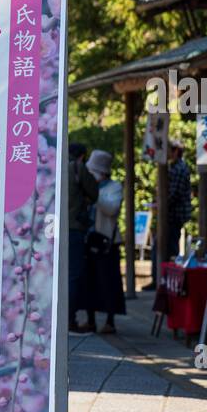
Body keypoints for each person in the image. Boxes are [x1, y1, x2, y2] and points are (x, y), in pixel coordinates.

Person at [73, 149, 126, 334]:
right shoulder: (85, 187)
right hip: (88, 239)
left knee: (108, 281)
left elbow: (112, 209)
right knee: (89, 282)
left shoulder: (114, 187)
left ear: (102, 173)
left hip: (106, 242)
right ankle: (90, 320)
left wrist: (95, 194)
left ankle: (110, 321)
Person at [67, 142, 100, 332]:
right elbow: (94, 193)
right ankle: (70, 319)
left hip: (49, 227)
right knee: (74, 275)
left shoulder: (51, 165)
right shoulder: (78, 168)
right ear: (81, 156)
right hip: (74, 228)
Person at [165, 138, 192, 264]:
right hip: (175, 214)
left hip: (175, 214)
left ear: (175, 151)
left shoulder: (178, 168)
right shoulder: (176, 167)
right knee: (171, 244)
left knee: (171, 246)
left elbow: (173, 194)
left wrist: (160, 205)